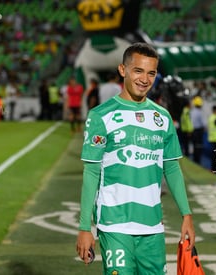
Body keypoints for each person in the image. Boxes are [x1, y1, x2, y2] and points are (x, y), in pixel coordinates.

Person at [76, 42, 195, 274]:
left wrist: (186, 215)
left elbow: (171, 169)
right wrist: (84, 228)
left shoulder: (162, 117)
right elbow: (91, 173)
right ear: (123, 70)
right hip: (114, 225)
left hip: (153, 228)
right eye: (138, 71)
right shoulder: (101, 116)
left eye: (151, 73)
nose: (145, 79)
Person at [190, 96, 205, 164]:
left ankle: (194, 160)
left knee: (194, 145)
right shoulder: (200, 112)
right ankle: (198, 161)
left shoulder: (192, 111)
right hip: (198, 131)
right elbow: (203, 123)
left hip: (193, 130)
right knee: (199, 146)